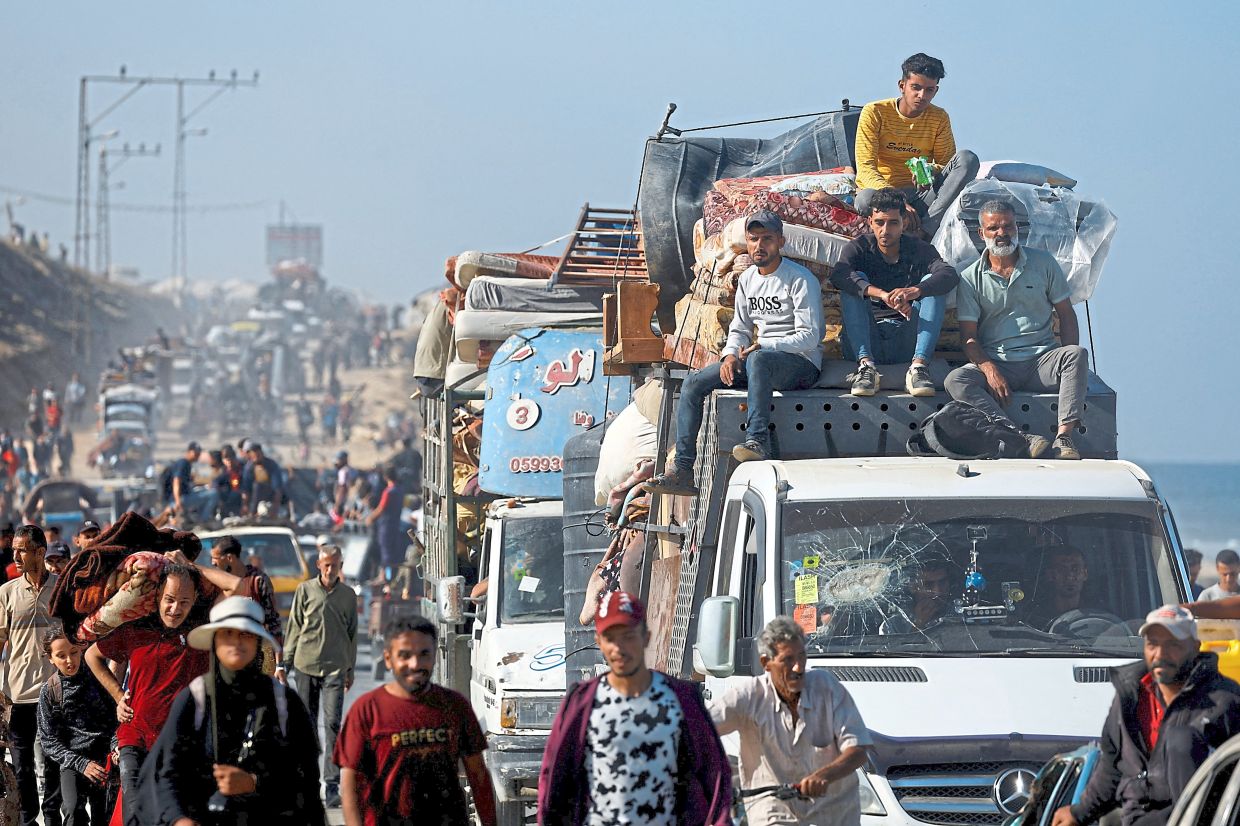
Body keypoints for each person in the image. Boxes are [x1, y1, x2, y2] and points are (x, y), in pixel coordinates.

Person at [647, 210, 822, 495]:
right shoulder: (749, 279)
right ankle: (682, 470)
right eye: (753, 239)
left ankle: (757, 441)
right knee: (694, 383)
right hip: (759, 362)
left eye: (767, 239)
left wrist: (767, 346)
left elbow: (811, 337)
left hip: (800, 364)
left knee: (758, 359)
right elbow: (740, 327)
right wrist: (729, 356)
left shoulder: (800, 280)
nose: (759, 246)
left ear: (781, 241)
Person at [538, 592, 731, 825]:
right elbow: (555, 780)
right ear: (599, 642)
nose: (619, 648)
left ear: (646, 637)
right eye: (610, 638)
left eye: (628, 636)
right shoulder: (583, 703)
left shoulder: (681, 699)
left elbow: (714, 774)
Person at [140, 596, 325, 826]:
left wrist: (254, 782)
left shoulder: (285, 703)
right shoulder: (194, 699)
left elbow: (306, 778)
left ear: (257, 642)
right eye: (227, 634)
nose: (236, 642)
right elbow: (165, 774)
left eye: (245, 634)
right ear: (214, 641)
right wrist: (179, 819)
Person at [1052, 606, 1240, 826]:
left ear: (1195, 648)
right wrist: (1079, 812)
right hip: (1132, 817)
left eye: (1173, 645)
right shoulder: (1130, 694)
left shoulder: (1224, 701)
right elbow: (1112, 766)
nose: (1160, 654)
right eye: (1153, 644)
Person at [944, 199, 1087, 460]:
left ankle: (1064, 437)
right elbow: (969, 338)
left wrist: (1066, 353)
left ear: (1016, 228)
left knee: (1076, 354)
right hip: (999, 363)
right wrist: (989, 370)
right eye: (993, 228)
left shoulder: (1043, 263)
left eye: (1008, 226)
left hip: (1040, 361)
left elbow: (1066, 314)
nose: (1001, 233)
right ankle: (1018, 436)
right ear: (981, 233)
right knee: (956, 380)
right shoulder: (970, 278)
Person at [335, 615, 495, 826]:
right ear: (388, 659)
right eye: (405, 655)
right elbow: (350, 783)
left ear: (435, 656)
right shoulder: (366, 710)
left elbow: (478, 775)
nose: (415, 663)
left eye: (424, 654)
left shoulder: (455, 706)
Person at [710, 617, 871, 826]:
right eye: (787, 660)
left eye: (802, 656)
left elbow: (858, 750)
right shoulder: (748, 696)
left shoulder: (827, 687)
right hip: (773, 810)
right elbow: (698, 730)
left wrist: (825, 775)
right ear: (765, 663)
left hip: (834, 810)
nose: (798, 667)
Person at [84, 563, 212, 825]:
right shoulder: (136, 630)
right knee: (135, 807)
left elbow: (235, 587)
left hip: (180, 739)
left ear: (195, 600)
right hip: (135, 733)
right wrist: (119, 696)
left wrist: (190, 565)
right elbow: (91, 656)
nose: (175, 609)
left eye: (184, 602)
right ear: (157, 595)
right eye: (169, 599)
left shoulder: (200, 636)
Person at [830, 188, 960, 397]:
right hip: (867, 337)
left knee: (931, 284)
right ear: (870, 222)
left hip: (905, 339)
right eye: (879, 222)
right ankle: (866, 368)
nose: (885, 230)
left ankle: (918, 367)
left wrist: (914, 292)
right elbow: (839, 275)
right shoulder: (860, 246)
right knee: (853, 283)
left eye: (893, 223)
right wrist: (880, 294)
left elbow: (948, 274)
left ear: (904, 223)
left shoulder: (918, 248)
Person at [853, 53, 979, 238]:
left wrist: (928, 170)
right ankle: (901, 219)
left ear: (936, 91)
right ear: (902, 86)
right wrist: (897, 201)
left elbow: (947, 166)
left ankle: (924, 231)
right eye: (916, 88)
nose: (922, 95)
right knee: (864, 200)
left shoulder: (939, 118)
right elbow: (866, 168)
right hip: (883, 194)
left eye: (929, 90)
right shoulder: (875, 112)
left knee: (967, 159)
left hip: (921, 197)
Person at [283, 544, 357, 808]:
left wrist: (350, 668)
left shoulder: (348, 595)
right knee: (307, 725)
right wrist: (285, 664)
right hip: (306, 664)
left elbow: (352, 634)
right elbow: (294, 628)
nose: (329, 569)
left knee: (333, 724)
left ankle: (332, 785)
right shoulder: (305, 590)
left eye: (334, 565)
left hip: (336, 667)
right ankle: (307, 781)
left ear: (340, 566)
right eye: (325, 564)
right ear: (318, 564)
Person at [0, 524, 63, 826]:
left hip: (54, 692)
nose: (15, 555)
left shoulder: (62, 589)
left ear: (39, 552)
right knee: (23, 767)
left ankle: (52, 818)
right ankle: (28, 820)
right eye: (13, 549)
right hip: (17, 694)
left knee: (52, 763)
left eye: (21, 550)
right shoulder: (6, 592)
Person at [37, 626, 116, 826]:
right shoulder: (50, 691)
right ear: (51, 658)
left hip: (104, 760)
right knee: (72, 812)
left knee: (105, 816)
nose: (69, 661)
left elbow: (116, 719)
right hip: (72, 763)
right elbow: (48, 740)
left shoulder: (100, 680)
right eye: (61, 656)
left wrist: (116, 747)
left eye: (73, 652)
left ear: (81, 649)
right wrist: (81, 764)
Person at [209, 536, 283, 668]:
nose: (212, 563)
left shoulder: (257, 581)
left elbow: (273, 623)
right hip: (226, 654)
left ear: (230, 558)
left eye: (215, 558)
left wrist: (278, 665)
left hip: (258, 657)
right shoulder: (214, 583)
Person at [881, 558, 954, 633]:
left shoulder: (961, 617)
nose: (937, 592)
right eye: (928, 585)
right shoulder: (893, 626)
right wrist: (918, 624)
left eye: (942, 582)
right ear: (913, 587)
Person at [1025, 546, 1090, 630]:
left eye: (1075, 569)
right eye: (1061, 569)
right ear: (1050, 575)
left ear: (1085, 574)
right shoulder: (1035, 619)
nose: (1069, 576)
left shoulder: (1098, 613)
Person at [365, 465, 404, 585]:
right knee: (393, 551)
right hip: (395, 523)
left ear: (386, 477)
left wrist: (370, 518)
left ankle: (384, 577)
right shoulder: (400, 490)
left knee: (385, 551)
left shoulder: (388, 492)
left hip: (386, 525)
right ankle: (392, 577)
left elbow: (381, 508)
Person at [168, 441, 218, 523]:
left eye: (199, 453)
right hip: (180, 499)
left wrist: (204, 485)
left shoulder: (187, 464)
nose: (198, 456)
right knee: (213, 494)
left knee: (206, 490)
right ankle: (203, 521)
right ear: (189, 452)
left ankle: (196, 519)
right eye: (196, 453)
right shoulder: (183, 463)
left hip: (183, 497)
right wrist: (177, 501)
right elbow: (176, 481)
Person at [240, 443, 284, 516]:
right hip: (253, 495)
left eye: (258, 455)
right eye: (253, 456)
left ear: (262, 454)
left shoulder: (271, 465)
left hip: (269, 493)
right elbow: (246, 488)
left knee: (257, 486)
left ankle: (253, 512)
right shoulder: (249, 468)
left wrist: (275, 507)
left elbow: (277, 488)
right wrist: (245, 505)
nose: (256, 458)